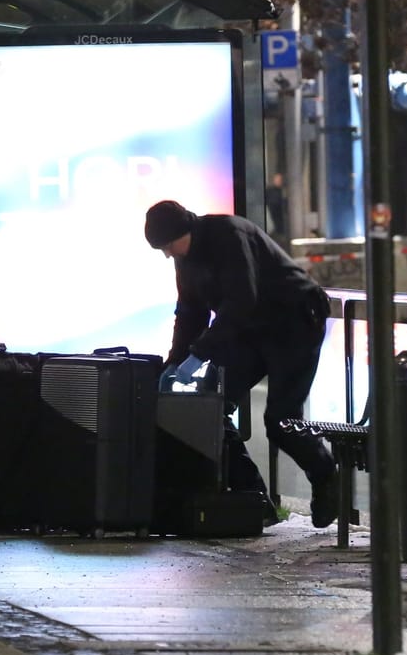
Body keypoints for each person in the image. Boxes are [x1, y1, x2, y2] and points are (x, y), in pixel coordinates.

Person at [144, 199, 342, 527]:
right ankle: (253, 499)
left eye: (168, 246)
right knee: (209, 409)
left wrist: (200, 353)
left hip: (293, 322)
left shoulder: (230, 235)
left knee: (281, 421)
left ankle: (326, 477)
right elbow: (190, 314)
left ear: (184, 230)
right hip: (250, 330)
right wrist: (174, 362)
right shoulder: (185, 259)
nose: (168, 254)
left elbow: (241, 300)